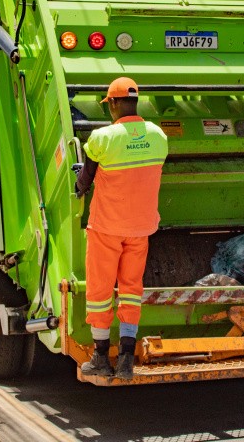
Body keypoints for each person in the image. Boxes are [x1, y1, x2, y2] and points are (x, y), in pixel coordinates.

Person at [74, 77, 168, 379]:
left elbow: (85, 178)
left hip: (106, 229)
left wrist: (78, 187)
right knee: (130, 290)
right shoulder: (158, 136)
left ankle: (101, 356)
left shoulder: (104, 138)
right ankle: (127, 356)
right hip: (140, 229)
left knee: (101, 291)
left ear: (113, 104)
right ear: (135, 102)